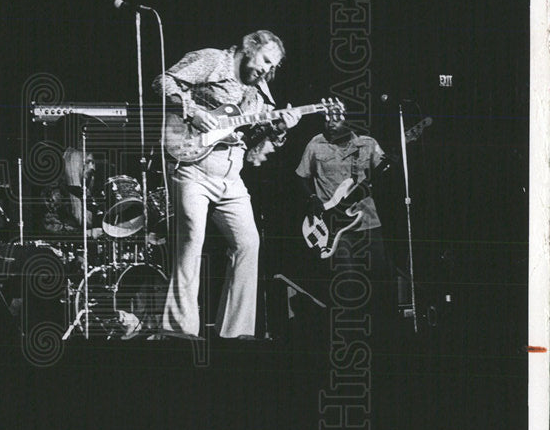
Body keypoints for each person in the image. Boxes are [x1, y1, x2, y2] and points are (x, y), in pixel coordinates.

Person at [154, 30, 300, 339]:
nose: (266, 69)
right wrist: (192, 112)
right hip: (191, 162)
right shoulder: (212, 59)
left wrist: (278, 129)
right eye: (264, 61)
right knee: (192, 238)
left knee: (248, 243)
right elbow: (162, 81)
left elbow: (255, 142)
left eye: (272, 66)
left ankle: (237, 334)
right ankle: (179, 330)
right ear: (250, 48)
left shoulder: (261, 91)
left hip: (231, 174)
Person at [296, 115, 393, 314]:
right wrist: (312, 197)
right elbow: (300, 177)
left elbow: (385, 173)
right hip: (333, 226)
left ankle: (381, 329)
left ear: (349, 120)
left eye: (335, 119)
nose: (329, 123)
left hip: (368, 220)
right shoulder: (316, 143)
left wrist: (385, 172)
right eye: (326, 119)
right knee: (347, 279)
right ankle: (349, 332)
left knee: (381, 276)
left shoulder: (367, 144)